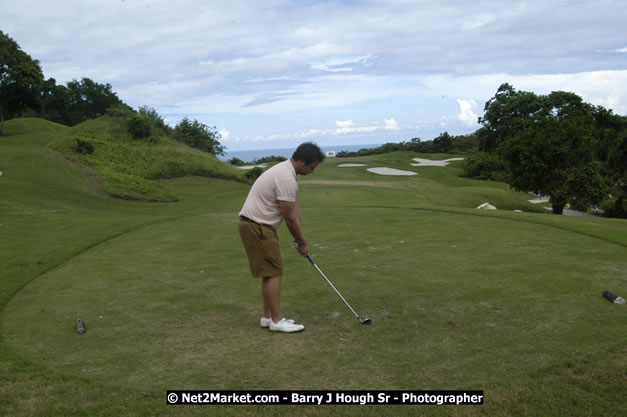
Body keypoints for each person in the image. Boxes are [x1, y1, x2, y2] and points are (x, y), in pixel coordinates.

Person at [238, 142, 325, 333]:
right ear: (302, 161)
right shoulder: (286, 178)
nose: (312, 172)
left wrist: (300, 239)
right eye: (311, 167)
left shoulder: (287, 173)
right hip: (257, 226)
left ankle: (268, 317)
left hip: (257, 225)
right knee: (274, 272)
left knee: (270, 272)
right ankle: (277, 321)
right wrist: (301, 242)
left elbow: (294, 210)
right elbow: (289, 217)